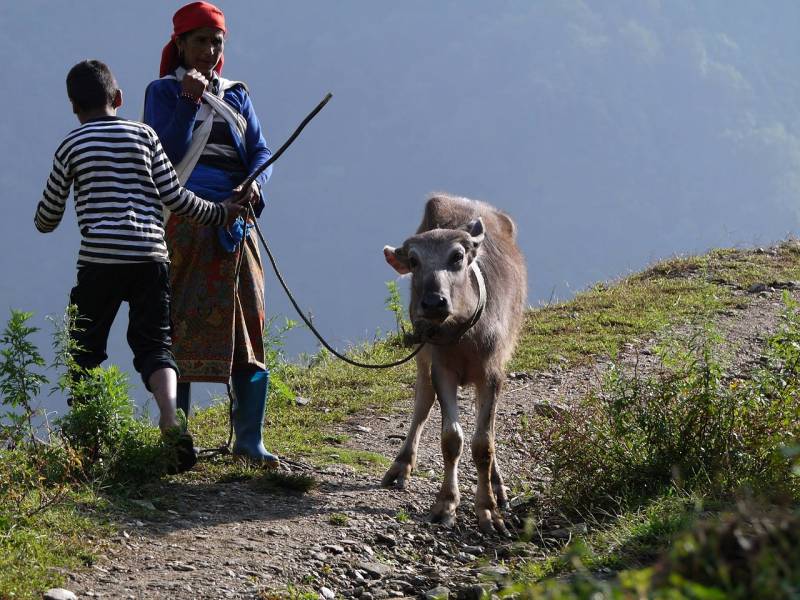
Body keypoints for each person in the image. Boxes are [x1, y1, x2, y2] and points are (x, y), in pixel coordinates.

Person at [34, 59, 246, 472]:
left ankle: (88, 444)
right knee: (155, 346)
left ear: (73, 106)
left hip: (99, 262)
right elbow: (177, 198)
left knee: (85, 350)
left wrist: (43, 217)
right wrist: (222, 212)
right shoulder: (144, 136)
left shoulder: (71, 146)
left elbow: (48, 218)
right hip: (151, 255)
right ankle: (170, 419)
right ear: (119, 98)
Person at [143, 2, 278, 465]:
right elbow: (163, 152)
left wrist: (255, 184)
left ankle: (249, 440)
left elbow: (260, 149)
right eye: (200, 40)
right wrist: (187, 100)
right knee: (175, 330)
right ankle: (177, 438)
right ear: (180, 44)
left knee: (249, 326)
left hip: (237, 226)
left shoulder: (237, 95)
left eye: (216, 42)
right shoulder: (162, 93)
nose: (209, 50)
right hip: (185, 223)